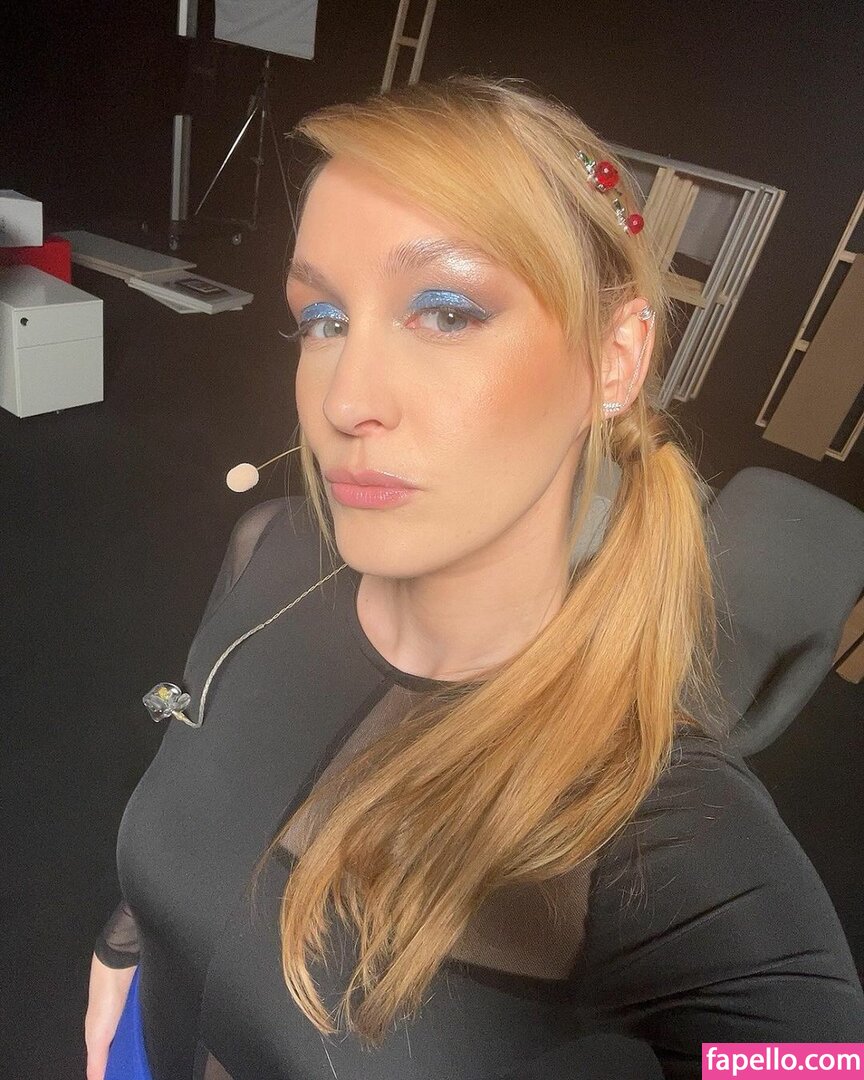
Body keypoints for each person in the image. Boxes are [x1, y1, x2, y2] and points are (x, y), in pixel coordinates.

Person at [85, 74, 864, 1080]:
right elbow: (198, 775)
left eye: (447, 312)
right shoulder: (273, 550)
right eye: (323, 319)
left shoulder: (663, 837)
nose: (346, 400)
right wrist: (130, 940)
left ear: (614, 359)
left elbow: (813, 1057)